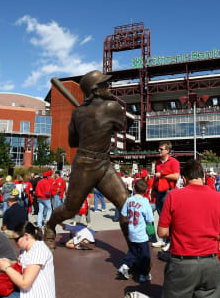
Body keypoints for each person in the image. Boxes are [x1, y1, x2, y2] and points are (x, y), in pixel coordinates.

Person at [44, 70, 132, 250]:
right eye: (104, 85)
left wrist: (86, 124)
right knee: (70, 208)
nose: (109, 87)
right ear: (94, 91)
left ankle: (134, 249)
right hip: (85, 166)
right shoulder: (110, 107)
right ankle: (49, 227)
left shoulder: (79, 113)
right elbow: (122, 125)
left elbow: (72, 141)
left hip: (103, 164)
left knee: (125, 204)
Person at [158, 160, 220, 298]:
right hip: (211, 263)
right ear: (204, 177)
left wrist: (179, 231)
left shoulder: (173, 196)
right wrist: (215, 236)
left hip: (182, 263)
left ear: (184, 179)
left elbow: (162, 232)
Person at [0, 221, 56, 298]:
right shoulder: (26, 249)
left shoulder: (38, 250)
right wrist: (10, 263)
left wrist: (6, 268)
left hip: (34, 294)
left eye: (16, 239)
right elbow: (25, 264)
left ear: (26, 236)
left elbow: (25, 284)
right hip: (24, 292)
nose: (15, 242)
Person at [117, 179, 154, 283]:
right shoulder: (145, 202)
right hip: (142, 235)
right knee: (145, 256)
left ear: (133, 188)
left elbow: (124, 213)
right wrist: (151, 234)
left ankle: (125, 266)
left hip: (132, 232)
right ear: (146, 190)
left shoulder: (129, 200)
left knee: (133, 252)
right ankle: (144, 274)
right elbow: (149, 220)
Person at [151, 140, 180, 249]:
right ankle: (163, 239)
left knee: (169, 218)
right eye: (159, 149)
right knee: (161, 217)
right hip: (159, 192)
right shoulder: (158, 162)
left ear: (167, 151)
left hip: (169, 192)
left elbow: (176, 176)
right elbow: (156, 178)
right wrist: (152, 191)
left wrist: (162, 174)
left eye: (161, 149)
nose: (159, 150)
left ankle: (170, 241)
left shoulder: (174, 162)